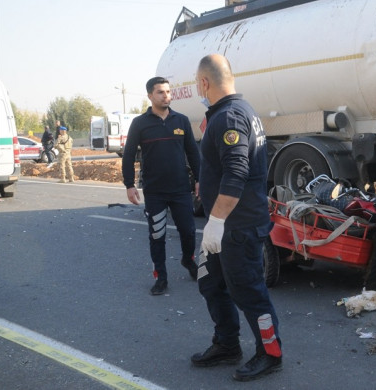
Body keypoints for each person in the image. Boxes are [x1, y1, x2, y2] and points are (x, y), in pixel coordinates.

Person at [190, 54, 282, 382]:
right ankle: (227, 343)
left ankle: (270, 353)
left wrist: (214, 223)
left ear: (204, 83)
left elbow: (236, 172)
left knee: (247, 290)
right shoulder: (233, 111)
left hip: (236, 225)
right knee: (211, 282)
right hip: (228, 223)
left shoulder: (229, 116)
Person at [122, 77, 200, 296]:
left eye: (168, 92)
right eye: (160, 92)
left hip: (180, 190)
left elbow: (193, 152)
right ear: (150, 95)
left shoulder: (181, 121)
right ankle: (161, 277)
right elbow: (128, 155)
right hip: (155, 191)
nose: (166, 96)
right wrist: (129, 184)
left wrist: (199, 179)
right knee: (157, 235)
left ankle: (188, 259)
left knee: (189, 231)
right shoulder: (140, 123)